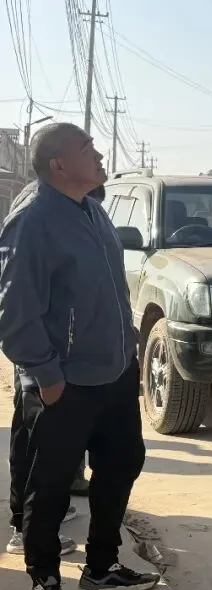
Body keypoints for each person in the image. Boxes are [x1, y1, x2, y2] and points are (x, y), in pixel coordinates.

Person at [0, 122, 160, 590]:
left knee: (122, 463)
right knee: (49, 486)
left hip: (114, 373)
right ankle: (44, 583)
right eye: (87, 148)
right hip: (65, 381)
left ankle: (101, 567)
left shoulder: (91, 209)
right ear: (59, 164)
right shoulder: (34, 220)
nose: (98, 154)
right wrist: (47, 376)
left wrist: (128, 351)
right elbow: (14, 313)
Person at [4, 182, 80, 562]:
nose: (97, 160)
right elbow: (15, 304)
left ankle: (35, 516)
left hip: (51, 351)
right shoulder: (35, 212)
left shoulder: (63, 204)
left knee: (37, 436)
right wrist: (43, 368)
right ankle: (25, 528)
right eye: (88, 154)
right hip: (41, 353)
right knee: (34, 442)